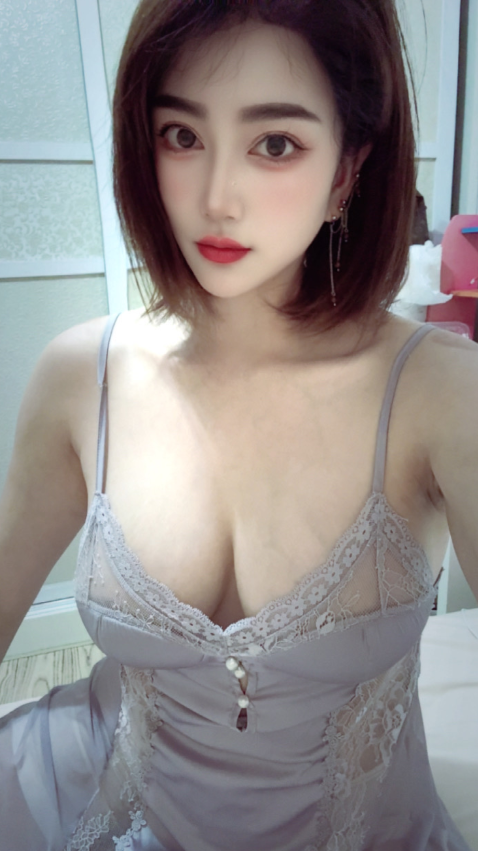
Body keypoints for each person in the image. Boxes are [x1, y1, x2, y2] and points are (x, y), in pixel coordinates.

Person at [0, 0, 477, 848]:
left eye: (275, 144)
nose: (216, 198)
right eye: (182, 135)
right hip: (94, 801)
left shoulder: (440, 392)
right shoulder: (82, 376)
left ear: (347, 171)